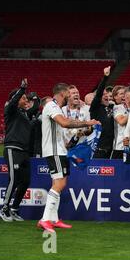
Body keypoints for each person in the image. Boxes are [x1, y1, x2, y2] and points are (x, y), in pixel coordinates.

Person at [38, 83, 99, 232]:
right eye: (68, 93)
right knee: (58, 184)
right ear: (63, 93)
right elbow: (65, 123)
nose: (70, 96)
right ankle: (45, 219)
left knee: (61, 182)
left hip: (60, 150)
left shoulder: (56, 108)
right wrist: (86, 122)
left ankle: (54, 219)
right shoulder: (52, 107)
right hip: (54, 151)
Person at [0, 79, 38, 222]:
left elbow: (34, 109)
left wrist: (36, 98)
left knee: (25, 181)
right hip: (12, 148)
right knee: (14, 179)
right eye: (23, 98)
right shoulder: (10, 110)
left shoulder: (23, 114)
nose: (25, 99)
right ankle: (4, 208)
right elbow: (14, 101)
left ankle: (14, 209)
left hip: (24, 152)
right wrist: (22, 89)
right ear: (15, 99)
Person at [90, 66, 115, 158]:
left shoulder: (112, 107)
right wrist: (105, 77)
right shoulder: (95, 107)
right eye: (103, 94)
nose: (106, 96)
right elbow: (99, 93)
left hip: (111, 147)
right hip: (99, 147)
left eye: (106, 94)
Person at [111, 85, 128, 159]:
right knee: (118, 168)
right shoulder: (116, 108)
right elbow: (121, 121)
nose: (124, 95)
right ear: (115, 97)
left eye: (125, 93)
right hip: (120, 145)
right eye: (121, 94)